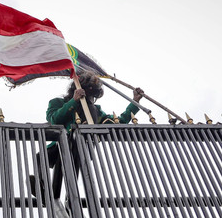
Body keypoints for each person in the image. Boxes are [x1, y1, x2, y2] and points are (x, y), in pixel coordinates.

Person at [30, 72, 144, 201]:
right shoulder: (57, 102)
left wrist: (135, 102)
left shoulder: (95, 111)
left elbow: (118, 122)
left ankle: (70, 201)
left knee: (72, 183)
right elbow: (55, 119)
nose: (88, 98)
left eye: (92, 95)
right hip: (61, 145)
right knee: (41, 156)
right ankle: (42, 189)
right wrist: (74, 101)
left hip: (82, 147)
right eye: (87, 93)